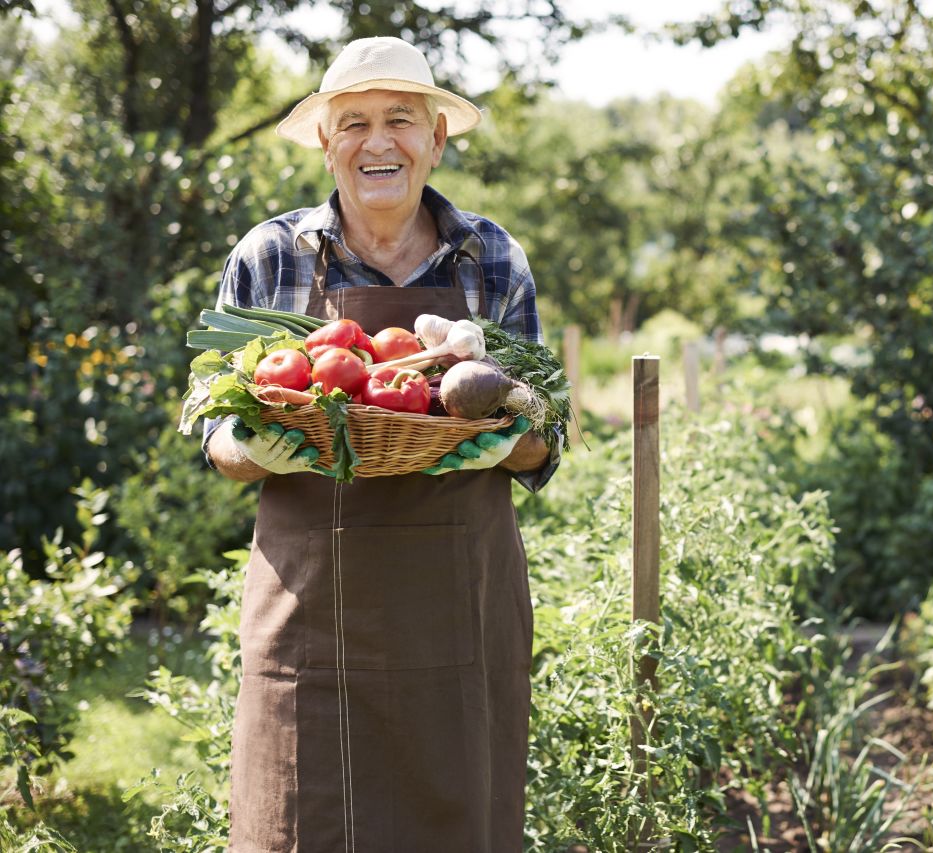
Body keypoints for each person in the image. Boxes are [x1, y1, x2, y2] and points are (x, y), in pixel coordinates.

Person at [202, 36, 558, 851]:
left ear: (436, 138)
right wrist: (263, 447)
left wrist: (508, 439)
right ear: (326, 142)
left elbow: (547, 442)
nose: (378, 141)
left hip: (457, 619)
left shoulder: (493, 259)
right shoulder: (270, 257)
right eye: (353, 122)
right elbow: (217, 436)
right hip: (310, 624)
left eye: (401, 119)